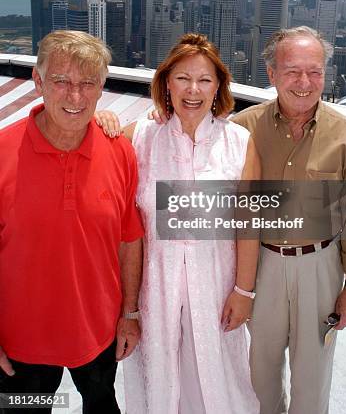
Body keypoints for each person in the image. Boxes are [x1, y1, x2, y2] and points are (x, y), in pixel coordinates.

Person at [97, 33, 260, 413]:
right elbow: (90, 154)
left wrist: (244, 291)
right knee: (162, 380)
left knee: (219, 380)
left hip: (217, 284)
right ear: (166, 83)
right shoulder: (139, 137)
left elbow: (248, 223)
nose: (193, 89)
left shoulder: (239, 141)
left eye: (205, 80)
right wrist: (101, 119)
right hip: (157, 285)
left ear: (218, 87)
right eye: (183, 78)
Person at [232, 26, 346, 414]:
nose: (304, 82)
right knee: (259, 374)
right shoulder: (242, 129)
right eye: (293, 70)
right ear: (271, 74)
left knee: (312, 378)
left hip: (321, 268)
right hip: (260, 267)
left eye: (314, 71)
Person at [0, 31, 144, 414]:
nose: (75, 97)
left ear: (101, 88)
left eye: (87, 83)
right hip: (19, 342)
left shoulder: (120, 152)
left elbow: (129, 239)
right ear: (38, 81)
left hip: (98, 333)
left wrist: (129, 314)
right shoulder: (1, 152)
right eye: (61, 81)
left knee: (100, 407)